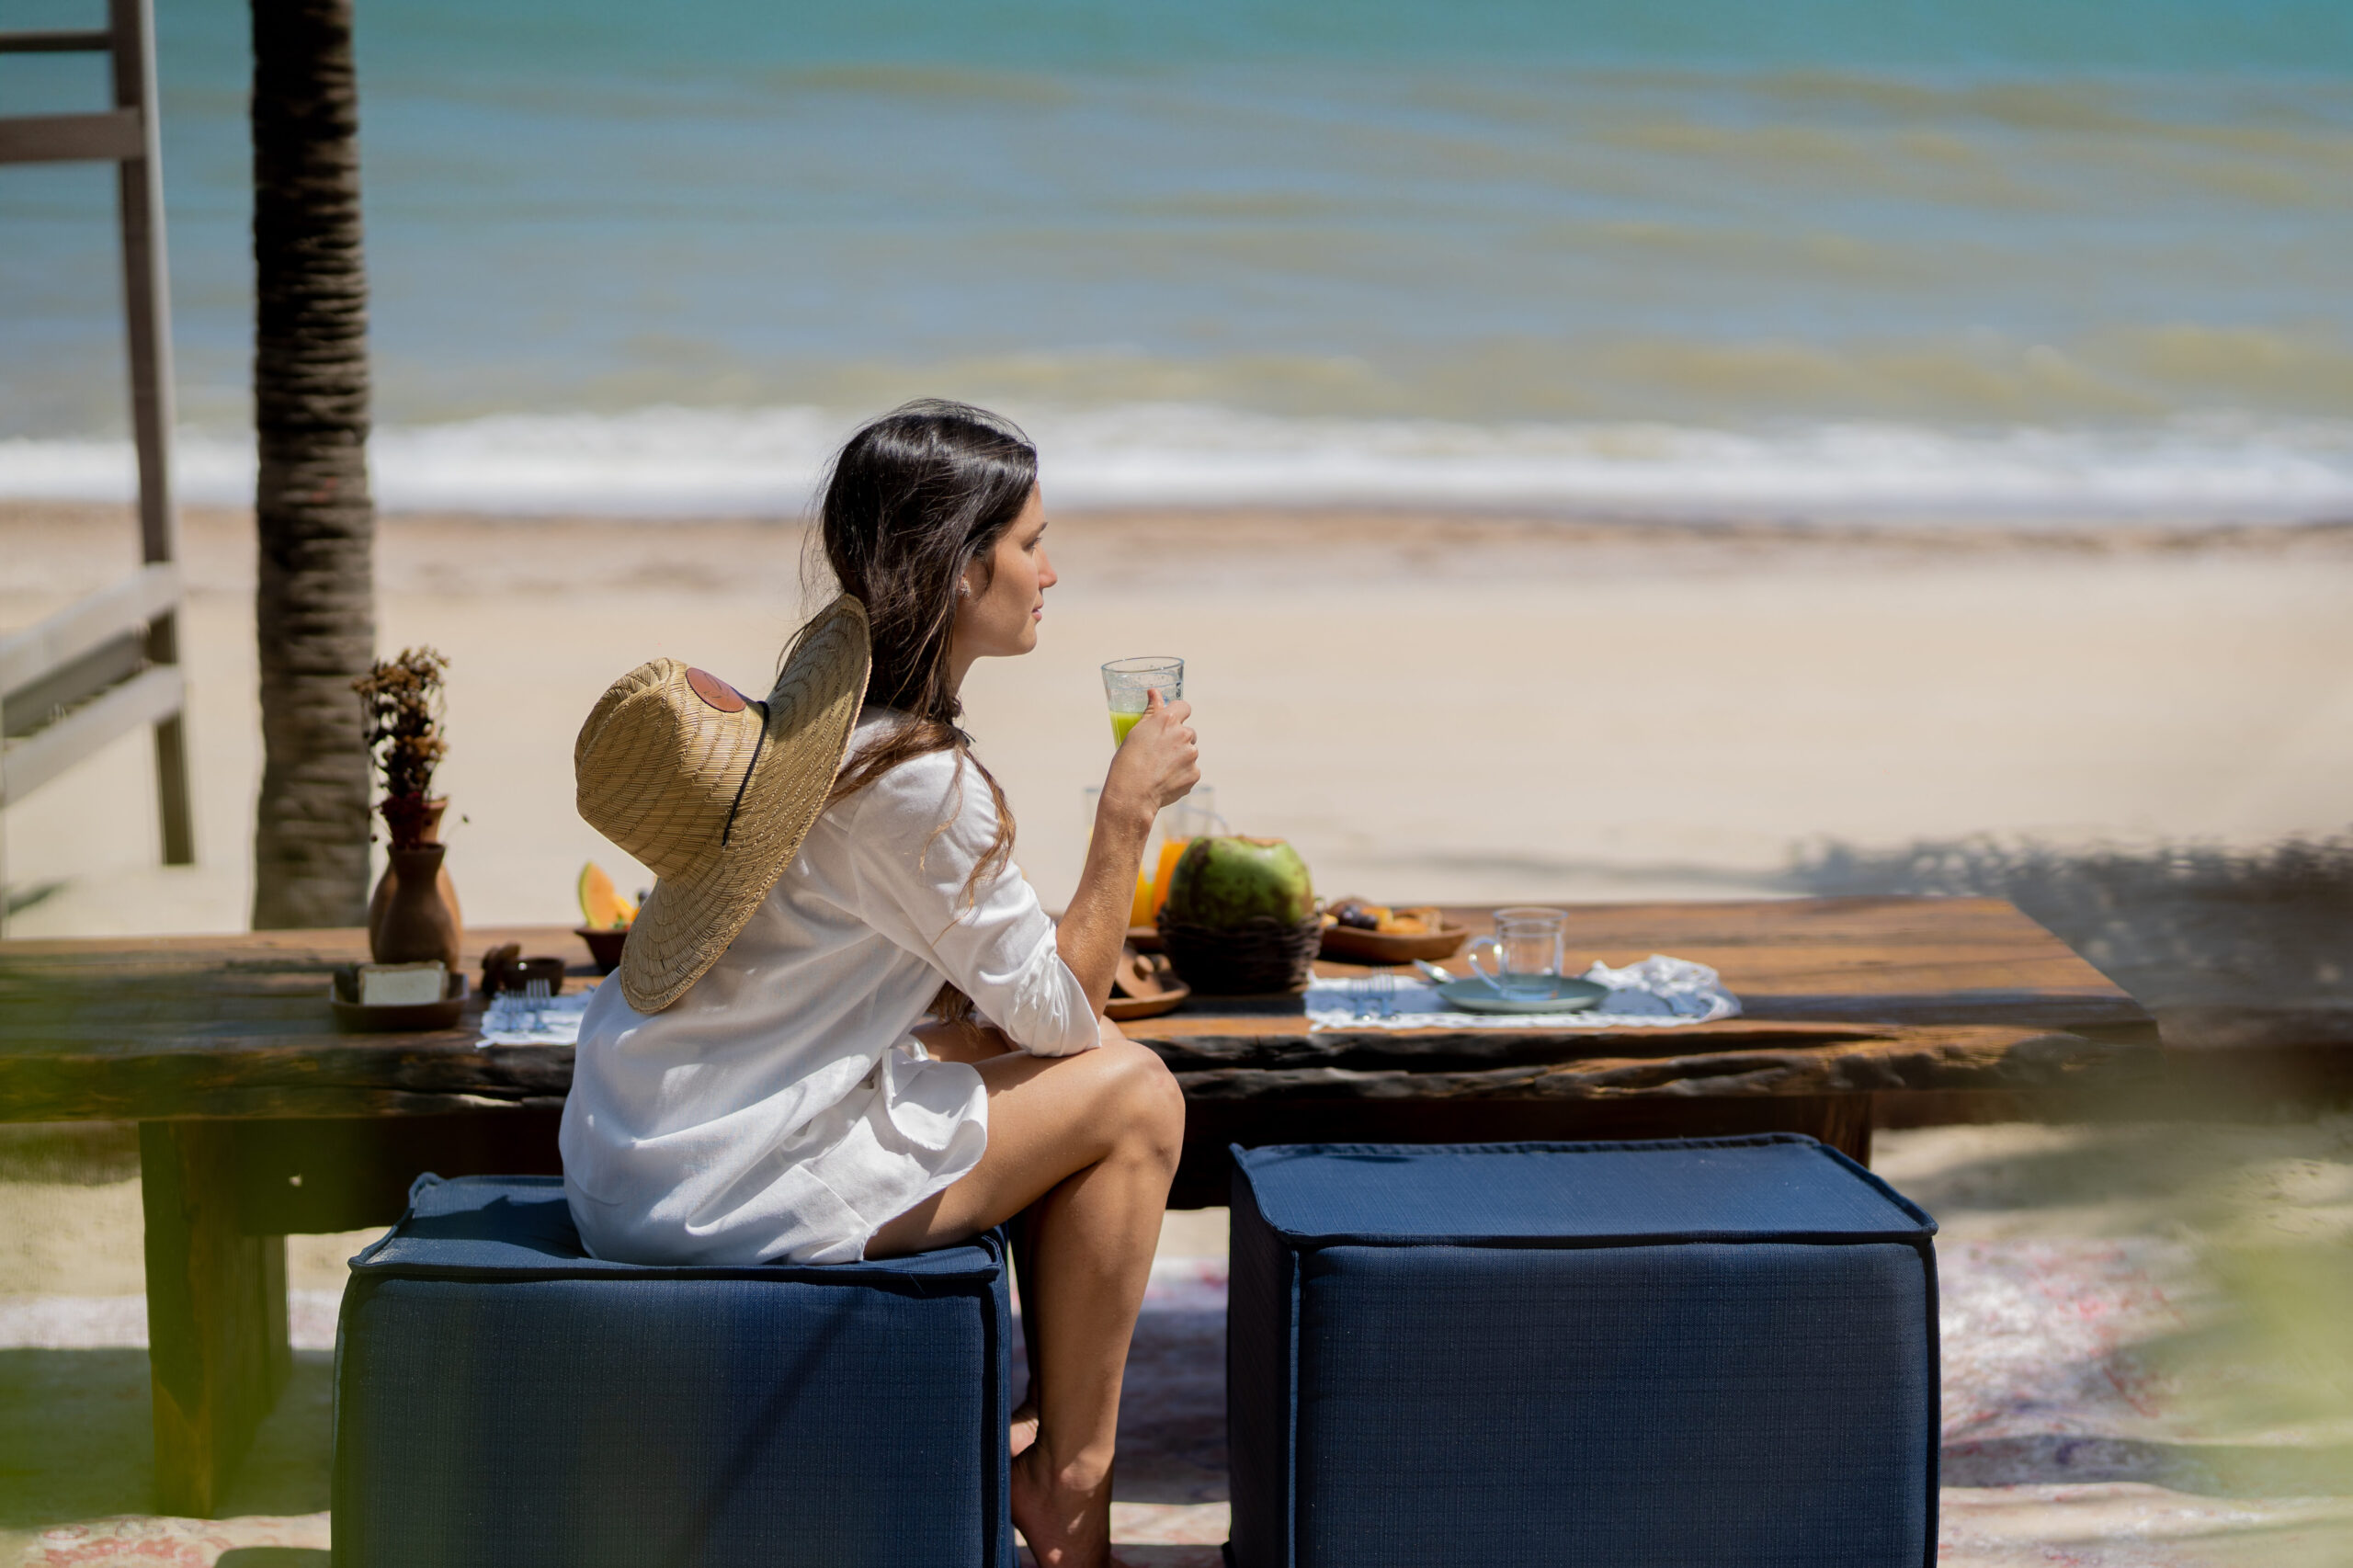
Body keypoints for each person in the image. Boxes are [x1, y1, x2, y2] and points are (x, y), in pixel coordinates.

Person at [562, 399, 1198, 1568]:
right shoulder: (919, 781)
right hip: (721, 1186)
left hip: (634, 1146)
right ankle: (1068, 1485)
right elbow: (1063, 1009)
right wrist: (1125, 815)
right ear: (963, 569)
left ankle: (1046, 1455)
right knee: (1136, 1091)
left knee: (1009, 1067)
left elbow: (955, 1001)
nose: (1051, 571)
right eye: (1029, 543)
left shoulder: (828, 733)